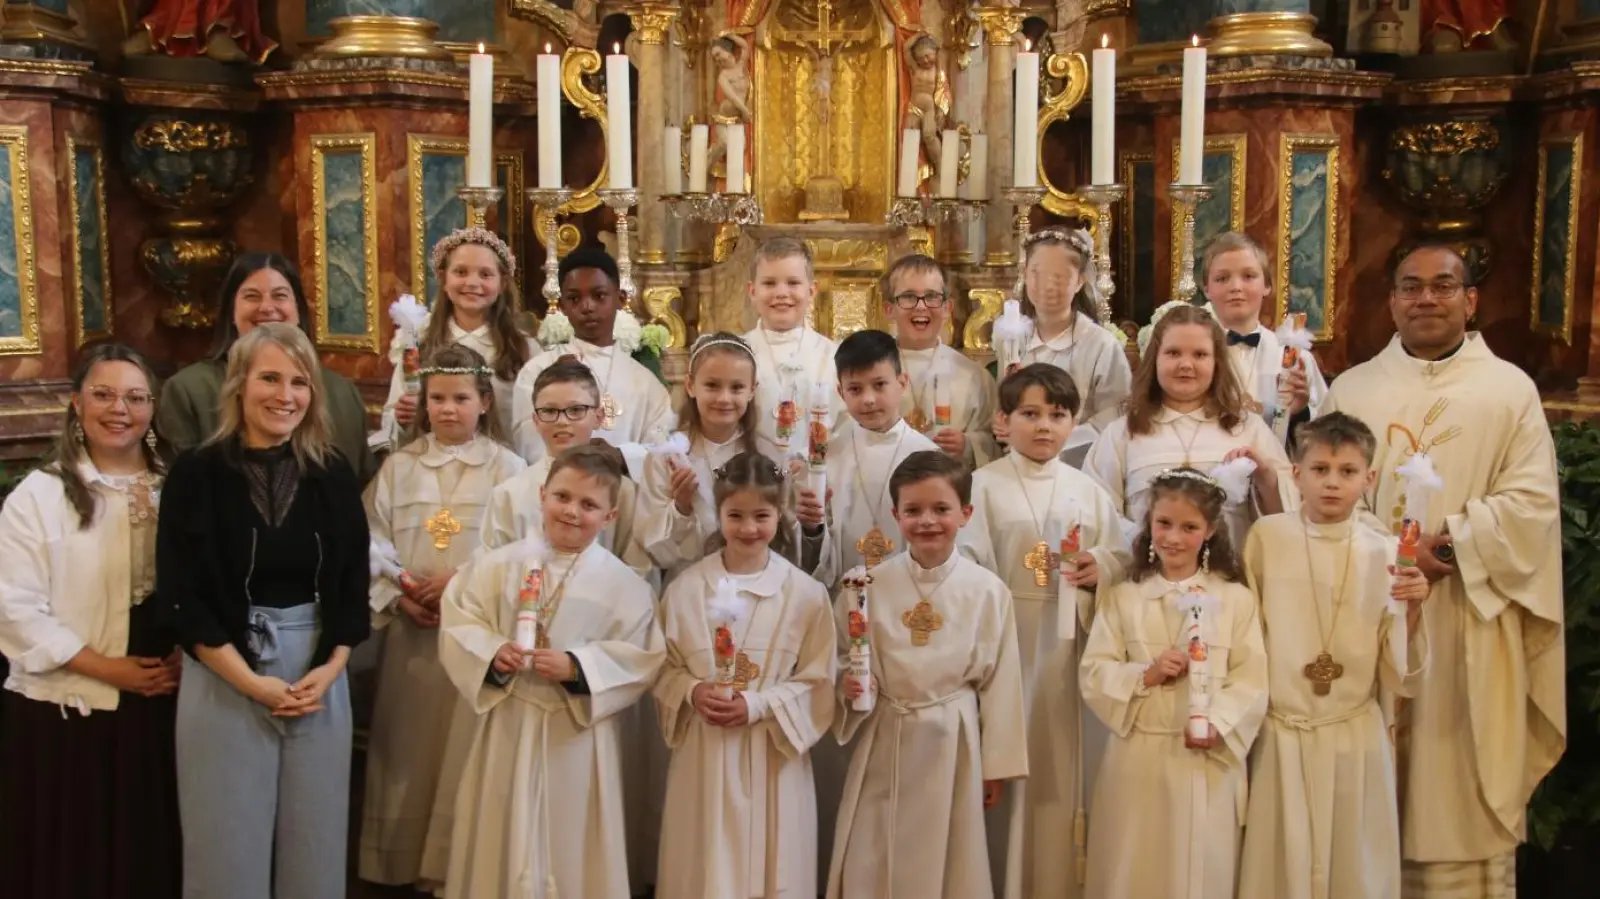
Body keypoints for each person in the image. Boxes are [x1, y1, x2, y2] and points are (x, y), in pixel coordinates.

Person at [1321, 244, 1565, 899]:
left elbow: (1533, 502)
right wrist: (1393, 558)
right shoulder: (1354, 389)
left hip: (1469, 617)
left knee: (1458, 778)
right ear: (1392, 300)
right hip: (1375, 614)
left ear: (1471, 298)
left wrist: (1448, 550)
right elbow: (1324, 494)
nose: (1426, 299)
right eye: (1411, 287)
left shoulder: (1509, 390)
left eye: (1442, 286)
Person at [155, 322, 371, 899]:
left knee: (316, 844)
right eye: (270, 378)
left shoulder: (332, 474)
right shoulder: (195, 474)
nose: (285, 395)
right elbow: (182, 594)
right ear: (238, 384)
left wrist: (328, 670)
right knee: (225, 846)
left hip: (316, 674)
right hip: (224, 669)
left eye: (299, 382)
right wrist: (250, 682)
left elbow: (352, 586)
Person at [438, 444, 664, 899]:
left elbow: (640, 657)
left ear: (611, 516)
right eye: (562, 497)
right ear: (541, 495)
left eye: (589, 505)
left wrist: (578, 667)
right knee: (499, 833)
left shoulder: (624, 586)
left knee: (572, 841)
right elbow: (460, 620)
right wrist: (492, 652)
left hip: (575, 737)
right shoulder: (496, 566)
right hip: (510, 720)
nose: (572, 512)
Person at [0, 343, 181, 899]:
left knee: (154, 845)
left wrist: (188, 648)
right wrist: (108, 669)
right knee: (77, 852)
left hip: (164, 695)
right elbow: (15, 608)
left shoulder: (178, 485)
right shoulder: (40, 495)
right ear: (76, 403)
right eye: (103, 394)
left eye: (135, 397)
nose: (119, 408)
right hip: (70, 702)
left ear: (153, 409)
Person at [1237, 412, 1431, 899]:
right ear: (1296, 474)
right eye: (1320, 469)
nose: (1331, 482)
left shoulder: (1386, 551)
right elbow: (1246, 634)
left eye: (1347, 471)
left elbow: (1398, 663)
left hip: (1352, 730)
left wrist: (1412, 607)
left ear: (1369, 479)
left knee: (1354, 865)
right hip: (1283, 728)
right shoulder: (1267, 538)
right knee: (1278, 863)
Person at [960, 363, 1132, 899]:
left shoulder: (1088, 490)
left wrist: (1099, 566)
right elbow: (966, 563)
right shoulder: (982, 486)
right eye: (1030, 414)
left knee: (1058, 775)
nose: (1044, 427)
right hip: (1005, 646)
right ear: (1002, 421)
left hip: (1065, 649)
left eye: (1057, 416)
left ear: (1073, 422)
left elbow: (1121, 555)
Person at [359, 345, 526, 890]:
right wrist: (398, 595)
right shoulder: (398, 469)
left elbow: (517, 549)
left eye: (460, 398)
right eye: (437, 399)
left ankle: (459, 865)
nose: (448, 409)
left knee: (466, 750)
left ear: (484, 402)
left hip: (476, 639)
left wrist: (461, 584)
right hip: (412, 639)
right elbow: (370, 541)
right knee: (406, 751)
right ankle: (399, 864)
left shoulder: (509, 468)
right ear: (423, 403)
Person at [827, 450, 1028, 899]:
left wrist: (994, 766)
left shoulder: (987, 590)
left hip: (953, 739)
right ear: (896, 514)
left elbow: (1001, 682)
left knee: (952, 853)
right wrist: (851, 683)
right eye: (913, 510)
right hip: (887, 730)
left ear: (966, 513)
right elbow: (841, 656)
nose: (928, 521)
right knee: (873, 846)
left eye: (941, 509)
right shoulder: (865, 585)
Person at [653, 452, 836, 899]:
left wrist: (757, 704)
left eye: (762, 516)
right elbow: (660, 665)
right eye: (735, 515)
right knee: (702, 862)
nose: (748, 528)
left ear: (782, 514)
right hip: (705, 752)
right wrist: (693, 692)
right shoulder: (686, 590)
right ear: (718, 514)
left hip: (773, 752)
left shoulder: (806, 595)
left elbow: (819, 680)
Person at [1080, 467, 1267, 899]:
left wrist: (1217, 721)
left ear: (1211, 530)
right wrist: (1145, 673)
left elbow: (1251, 677)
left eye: (1189, 527)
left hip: (1204, 761)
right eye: (1164, 523)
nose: (1174, 538)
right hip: (1138, 759)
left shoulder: (1234, 599)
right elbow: (1094, 671)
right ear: (1149, 523)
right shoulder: (1125, 597)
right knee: (1133, 869)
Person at [1084, 303, 1295, 546]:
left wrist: (1266, 479)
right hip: (1146, 574)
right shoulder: (1122, 432)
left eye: (1200, 354)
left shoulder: (1248, 428)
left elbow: (1287, 522)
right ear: (1154, 359)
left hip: (1228, 577)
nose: (1186, 364)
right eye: (1173, 353)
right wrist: (1152, 543)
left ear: (1217, 362)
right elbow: (1097, 513)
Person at [158, 252, 377, 483]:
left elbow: (364, 485)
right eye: (251, 296)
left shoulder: (343, 392)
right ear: (231, 311)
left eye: (279, 296)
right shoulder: (188, 390)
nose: (266, 307)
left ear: (298, 311)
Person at [480, 360, 651, 580]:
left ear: (599, 417)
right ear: (535, 420)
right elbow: (491, 571)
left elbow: (638, 572)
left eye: (576, 410)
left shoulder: (624, 493)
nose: (562, 421)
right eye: (549, 411)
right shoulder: (508, 494)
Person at [510, 246, 675, 472]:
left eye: (599, 296)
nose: (587, 307)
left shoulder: (645, 383)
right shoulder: (537, 371)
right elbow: (527, 439)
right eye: (574, 298)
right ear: (563, 306)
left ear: (620, 298)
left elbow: (662, 449)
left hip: (623, 497)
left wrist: (622, 456)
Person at [641, 332, 781, 582]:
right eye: (712, 385)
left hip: (756, 580)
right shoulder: (667, 455)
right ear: (690, 386)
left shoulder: (767, 453)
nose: (724, 398)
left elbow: (782, 535)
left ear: (752, 390)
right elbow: (655, 550)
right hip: (690, 587)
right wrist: (681, 508)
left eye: (737, 387)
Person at [801, 329, 938, 586]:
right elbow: (816, 550)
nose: (868, 399)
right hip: (845, 599)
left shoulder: (928, 457)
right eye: (855, 389)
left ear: (902, 382)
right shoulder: (827, 457)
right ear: (841, 394)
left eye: (879, 385)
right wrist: (811, 528)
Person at [379, 228, 537, 449]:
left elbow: (533, 424)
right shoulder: (419, 346)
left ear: (501, 284)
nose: (472, 283)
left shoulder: (524, 349)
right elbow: (392, 418)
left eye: (485, 274)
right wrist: (404, 417)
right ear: (444, 279)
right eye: (461, 272)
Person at [1014, 229, 1132, 465]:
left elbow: (1115, 418)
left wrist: (1053, 439)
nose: (1048, 285)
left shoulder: (1100, 345)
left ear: (1079, 281)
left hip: (1080, 465)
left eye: (1060, 277)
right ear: (1025, 273)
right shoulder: (1012, 338)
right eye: (1038, 273)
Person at [1198, 231, 1326, 435]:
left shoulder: (1294, 357)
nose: (1235, 287)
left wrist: (1299, 412)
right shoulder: (1193, 354)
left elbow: (1323, 430)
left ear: (1267, 285)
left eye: (1248, 276)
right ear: (1207, 289)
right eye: (1222, 278)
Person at [883, 254, 999, 469]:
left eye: (931, 296)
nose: (921, 306)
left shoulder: (974, 376)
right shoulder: (872, 370)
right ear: (889, 309)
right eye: (908, 296)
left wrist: (968, 445)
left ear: (947, 308)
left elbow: (996, 442)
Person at [741, 237, 842, 455]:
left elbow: (845, 427)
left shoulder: (834, 357)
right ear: (752, 291)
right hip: (751, 476)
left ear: (812, 291)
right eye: (769, 283)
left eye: (793, 283)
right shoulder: (737, 352)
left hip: (818, 475)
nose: (781, 293)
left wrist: (807, 459)